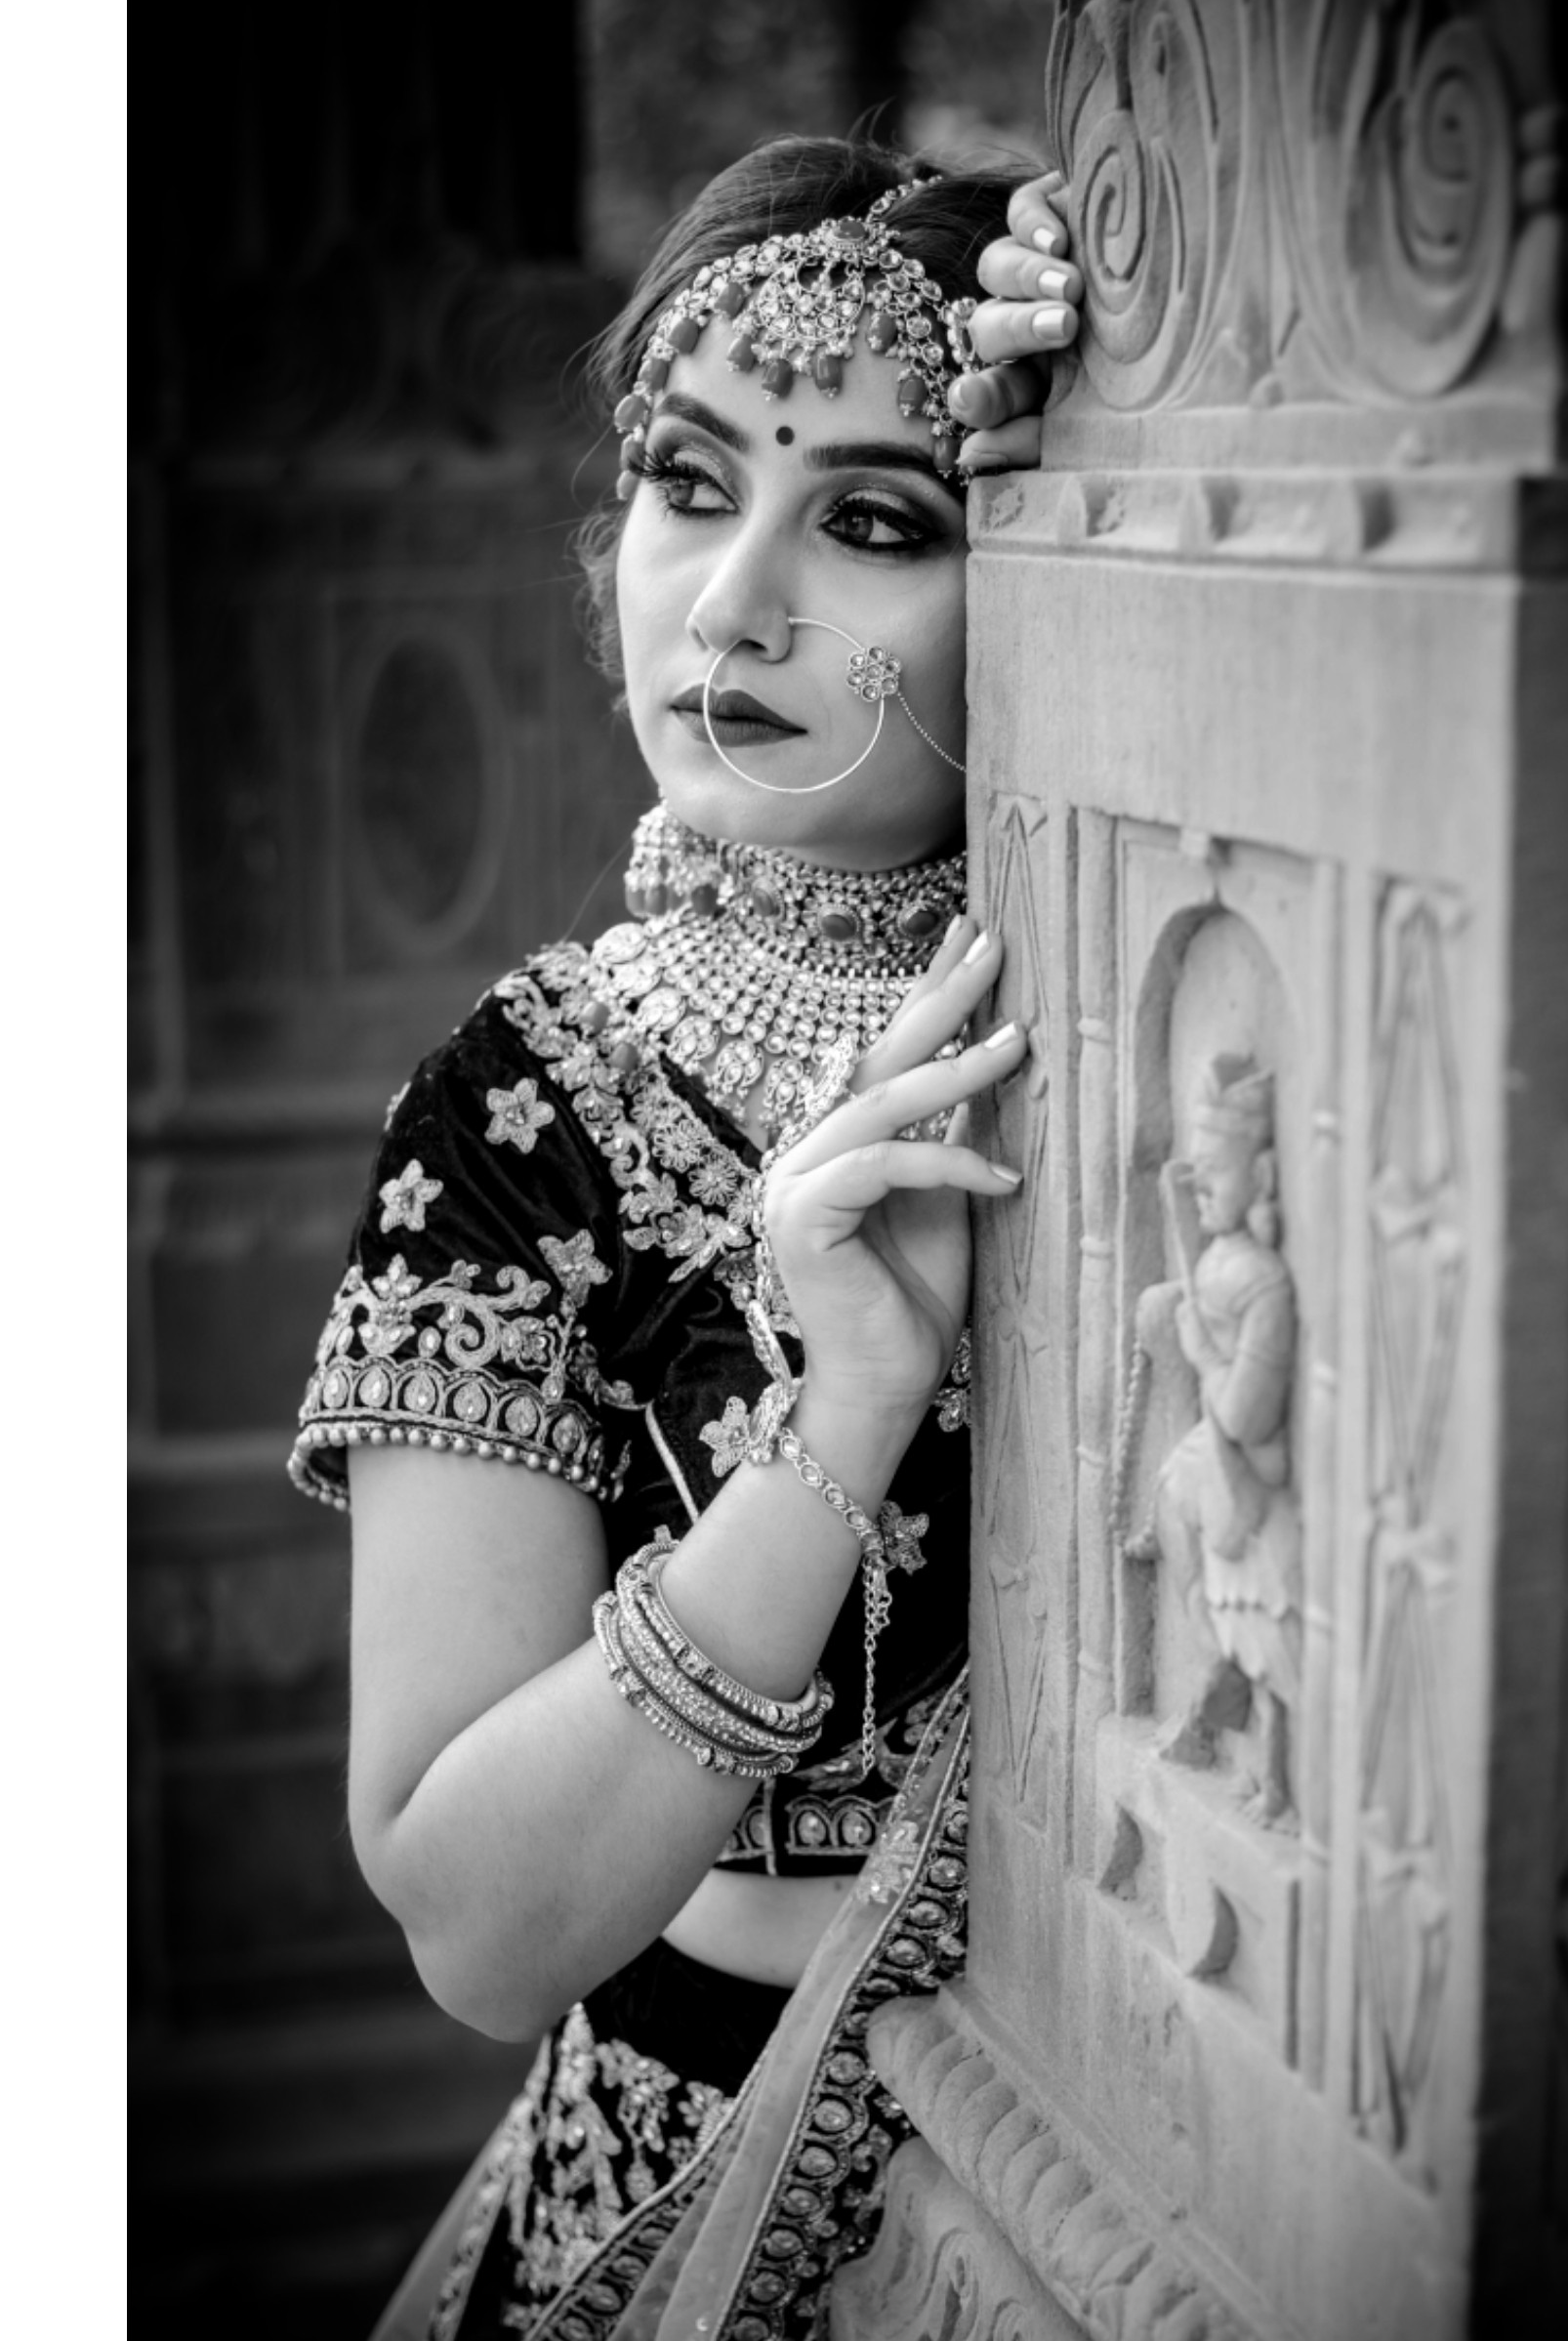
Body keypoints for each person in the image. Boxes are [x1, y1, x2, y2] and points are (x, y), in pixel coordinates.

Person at [286, 137, 1085, 2340]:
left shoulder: (1153, 1020)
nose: (731, 605)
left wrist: (1167, 361)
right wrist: (848, 1410)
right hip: (695, 2190)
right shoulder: (524, 1105)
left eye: (877, 519)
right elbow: (472, 1929)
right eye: (688, 481)